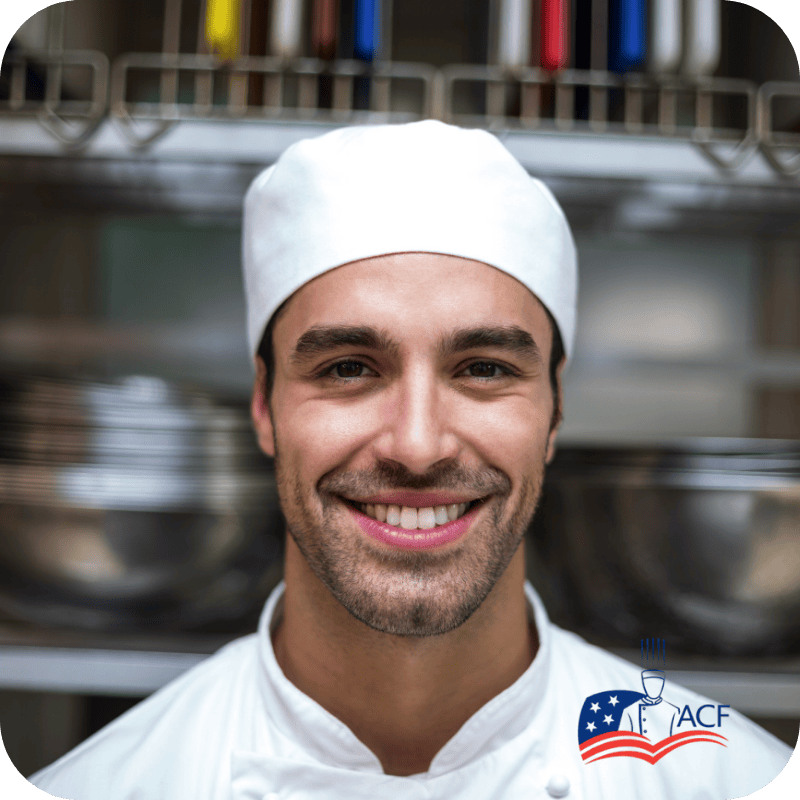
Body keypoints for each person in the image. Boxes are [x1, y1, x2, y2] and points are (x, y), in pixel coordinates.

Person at [28, 121, 793, 799]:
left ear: (555, 409)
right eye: (348, 368)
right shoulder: (108, 784)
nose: (418, 445)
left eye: (485, 368)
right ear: (264, 404)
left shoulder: (725, 779)